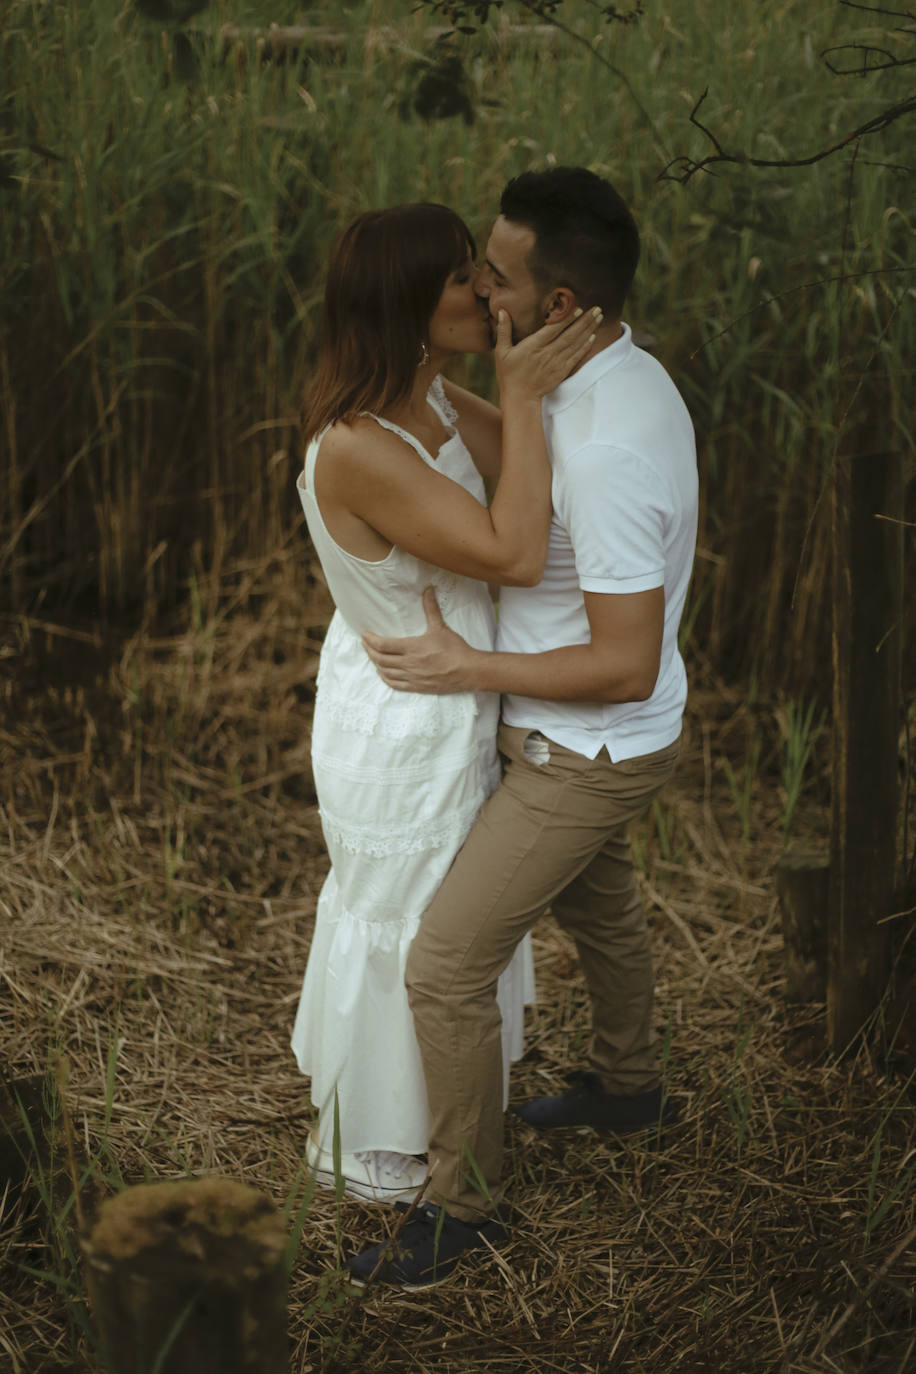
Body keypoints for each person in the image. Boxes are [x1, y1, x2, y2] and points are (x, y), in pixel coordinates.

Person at [351, 167, 699, 1288]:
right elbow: (511, 446)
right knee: (603, 906)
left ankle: (461, 1210)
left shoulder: (606, 450)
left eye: (491, 279)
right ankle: (628, 1086)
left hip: (582, 750)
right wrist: (441, 381)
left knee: (446, 964)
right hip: (607, 734)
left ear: (556, 306)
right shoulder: (616, 370)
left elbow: (623, 660)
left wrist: (469, 666)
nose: (475, 291)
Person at [291, 202, 600, 1206]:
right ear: (405, 304)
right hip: (403, 715)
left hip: (455, 691)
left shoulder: (431, 399)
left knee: (449, 924)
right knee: (415, 925)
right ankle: (389, 1143)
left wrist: (525, 392)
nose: (484, 291)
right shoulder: (358, 444)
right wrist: (519, 391)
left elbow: (537, 481)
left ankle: (451, 1110)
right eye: (462, 277)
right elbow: (514, 550)